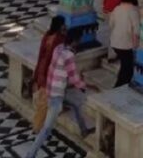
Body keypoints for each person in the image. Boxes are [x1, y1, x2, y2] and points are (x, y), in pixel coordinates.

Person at [25, 27, 93, 157]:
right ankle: (30, 154)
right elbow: (74, 79)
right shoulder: (69, 56)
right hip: (56, 96)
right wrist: (85, 86)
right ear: (75, 41)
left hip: (51, 89)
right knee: (46, 129)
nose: (79, 43)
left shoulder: (59, 48)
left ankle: (84, 130)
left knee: (76, 105)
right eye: (78, 41)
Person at [31, 16, 66, 131]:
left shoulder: (47, 35)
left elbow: (41, 53)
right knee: (44, 102)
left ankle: (38, 124)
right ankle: (37, 127)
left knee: (42, 100)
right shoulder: (58, 39)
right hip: (48, 71)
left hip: (42, 68)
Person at [108, 0, 140, 87]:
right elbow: (136, 30)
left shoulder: (117, 9)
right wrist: (135, 45)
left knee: (125, 65)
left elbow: (111, 24)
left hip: (115, 42)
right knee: (128, 69)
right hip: (126, 45)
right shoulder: (133, 11)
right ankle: (118, 87)